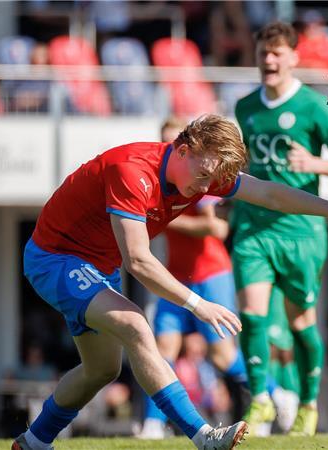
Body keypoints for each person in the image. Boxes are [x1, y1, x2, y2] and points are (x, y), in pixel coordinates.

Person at [13, 114, 328, 450]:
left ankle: (33, 441)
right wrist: (198, 305)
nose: (206, 187)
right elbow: (139, 261)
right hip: (55, 259)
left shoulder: (200, 172)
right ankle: (204, 437)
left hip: (98, 266)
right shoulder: (131, 171)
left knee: (102, 370)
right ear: (184, 149)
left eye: (212, 179)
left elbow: (270, 194)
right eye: (203, 176)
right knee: (136, 325)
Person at [233, 21, 328, 437]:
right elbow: (246, 164)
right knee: (250, 315)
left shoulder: (311, 107)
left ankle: (307, 402)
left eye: (277, 53)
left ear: (293, 57)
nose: (269, 60)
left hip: (301, 231)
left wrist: (315, 164)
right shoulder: (244, 107)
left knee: (301, 323)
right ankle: (260, 399)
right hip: (254, 227)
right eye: (263, 53)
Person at [137, 117, 249, 439]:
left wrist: (168, 222)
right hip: (175, 274)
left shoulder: (204, 178)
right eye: (168, 142)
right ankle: (153, 424)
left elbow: (218, 228)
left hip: (212, 273)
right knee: (161, 349)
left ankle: (272, 393)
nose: (174, 150)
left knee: (223, 355)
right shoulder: (159, 179)